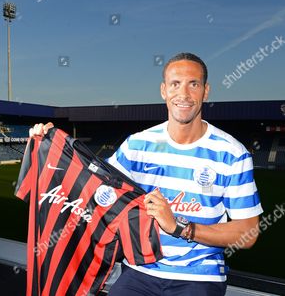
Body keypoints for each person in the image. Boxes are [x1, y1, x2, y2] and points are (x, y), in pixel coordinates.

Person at [29, 52, 263, 296]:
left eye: (193, 84)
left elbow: (248, 233)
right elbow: (91, 184)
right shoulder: (136, 146)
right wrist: (49, 144)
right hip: (139, 270)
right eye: (175, 84)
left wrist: (180, 227)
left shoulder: (232, 154)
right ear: (164, 90)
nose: (183, 94)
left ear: (206, 91)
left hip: (198, 275)